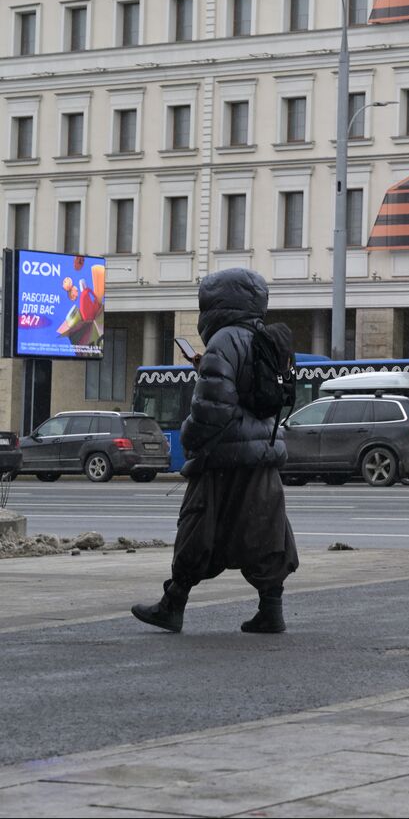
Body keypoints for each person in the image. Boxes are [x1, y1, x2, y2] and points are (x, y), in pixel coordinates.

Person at [132, 268, 299, 634]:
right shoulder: (263, 336)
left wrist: (190, 438)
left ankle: (172, 604)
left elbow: (213, 408)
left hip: (223, 458)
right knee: (267, 531)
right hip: (263, 454)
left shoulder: (224, 340)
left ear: (215, 304)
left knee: (199, 526)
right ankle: (271, 610)